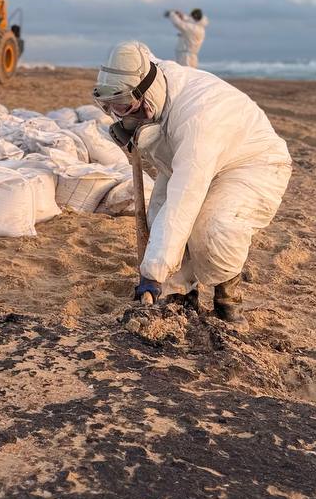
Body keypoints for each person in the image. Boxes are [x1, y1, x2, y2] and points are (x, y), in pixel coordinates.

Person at [93, 41, 292, 325]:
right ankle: (179, 297)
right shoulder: (152, 79)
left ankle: (227, 300)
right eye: (111, 106)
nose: (117, 112)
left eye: (123, 106)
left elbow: (183, 202)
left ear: (144, 93)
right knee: (158, 220)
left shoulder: (198, 118)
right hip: (189, 160)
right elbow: (138, 51)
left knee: (211, 228)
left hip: (252, 163)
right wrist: (129, 124)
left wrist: (151, 273)